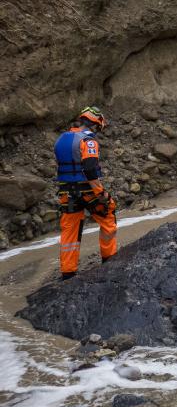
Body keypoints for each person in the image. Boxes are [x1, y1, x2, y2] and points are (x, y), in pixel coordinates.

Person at [53, 107, 117, 280]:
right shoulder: (89, 141)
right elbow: (89, 169)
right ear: (95, 124)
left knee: (70, 230)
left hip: (67, 193)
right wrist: (102, 193)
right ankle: (109, 259)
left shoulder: (60, 139)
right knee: (108, 215)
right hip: (88, 191)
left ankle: (68, 272)